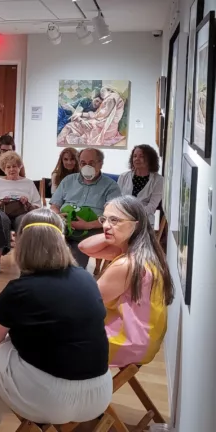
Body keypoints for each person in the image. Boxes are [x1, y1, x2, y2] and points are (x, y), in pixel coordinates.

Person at [0, 209, 112, 432]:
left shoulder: (21, 290)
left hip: (50, 400)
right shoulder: (86, 278)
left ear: (22, 243)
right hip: (99, 394)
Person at [78, 196, 174, 368]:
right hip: (144, 339)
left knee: (53, 336)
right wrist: (113, 230)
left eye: (114, 220)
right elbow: (84, 247)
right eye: (104, 219)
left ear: (136, 224)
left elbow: (88, 304)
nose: (106, 225)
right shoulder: (143, 251)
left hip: (128, 342)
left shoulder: (126, 263)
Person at [50, 148, 122, 268]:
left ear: (100, 163)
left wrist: (87, 225)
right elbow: (54, 205)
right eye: (83, 163)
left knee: (75, 260)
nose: (87, 167)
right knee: (44, 241)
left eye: (91, 163)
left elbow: (113, 217)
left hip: (91, 229)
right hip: (64, 225)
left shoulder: (111, 186)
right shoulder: (68, 180)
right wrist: (58, 216)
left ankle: (73, 274)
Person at [0, 151, 41, 276]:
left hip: (21, 212)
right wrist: (0, 202)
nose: (12, 169)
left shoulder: (28, 183)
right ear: (4, 168)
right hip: (0, 212)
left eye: (14, 166)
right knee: (3, 220)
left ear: (20, 167)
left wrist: (27, 203)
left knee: (24, 222)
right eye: (8, 167)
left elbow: (38, 208)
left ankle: (24, 263)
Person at [57, 86, 126, 147]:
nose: (97, 104)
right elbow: (76, 114)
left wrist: (84, 117)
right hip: (64, 111)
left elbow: (100, 114)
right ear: (93, 98)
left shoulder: (110, 99)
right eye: (96, 101)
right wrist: (82, 119)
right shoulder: (86, 100)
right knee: (64, 126)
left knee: (64, 127)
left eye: (100, 103)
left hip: (70, 117)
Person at [117, 144, 164, 224]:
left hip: (145, 221)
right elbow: (116, 200)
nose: (136, 159)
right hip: (123, 218)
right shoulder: (123, 176)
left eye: (141, 156)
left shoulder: (159, 180)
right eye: (134, 156)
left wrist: (134, 216)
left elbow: (152, 206)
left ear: (150, 159)